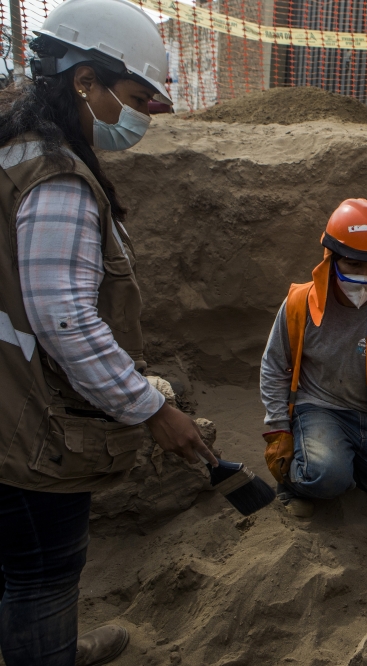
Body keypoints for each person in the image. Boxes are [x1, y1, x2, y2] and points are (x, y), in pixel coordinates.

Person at [0, 0, 219, 664]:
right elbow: (64, 318)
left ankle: (49, 645)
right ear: (82, 80)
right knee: (42, 575)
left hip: (8, 399)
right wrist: (151, 409)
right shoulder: (58, 180)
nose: (139, 115)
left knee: (13, 567)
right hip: (31, 429)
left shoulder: (15, 150)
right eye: (131, 96)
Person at [260, 199, 367, 520]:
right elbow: (273, 367)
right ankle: (296, 483)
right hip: (320, 409)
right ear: (331, 259)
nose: (364, 276)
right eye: (354, 264)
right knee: (326, 477)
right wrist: (278, 431)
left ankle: (351, 464)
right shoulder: (299, 305)